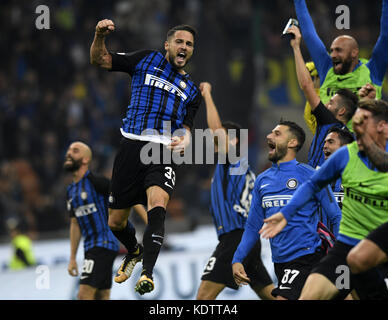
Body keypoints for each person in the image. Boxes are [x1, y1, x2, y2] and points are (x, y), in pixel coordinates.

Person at [90, 20, 202, 295]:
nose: (184, 47)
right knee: (116, 222)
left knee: (157, 204)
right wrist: (98, 36)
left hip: (161, 149)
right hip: (131, 145)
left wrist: (186, 138)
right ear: (167, 44)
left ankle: (147, 273)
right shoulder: (146, 59)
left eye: (189, 44)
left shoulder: (192, 91)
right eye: (180, 42)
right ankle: (134, 250)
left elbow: (186, 128)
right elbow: (100, 60)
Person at [260, 99, 388, 299]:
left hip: (378, 237)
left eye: (362, 123)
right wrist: (285, 214)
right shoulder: (346, 156)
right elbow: (312, 185)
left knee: (358, 267)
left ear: (382, 127)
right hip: (343, 244)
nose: (356, 127)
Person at [232, 120, 341, 300]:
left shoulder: (310, 175)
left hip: (307, 256)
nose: (269, 136)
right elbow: (252, 227)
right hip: (280, 263)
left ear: (292, 143)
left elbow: (335, 216)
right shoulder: (262, 181)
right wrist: (237, 259)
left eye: (277, 134)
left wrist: (339, 254)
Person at [195, 82, 275, 300]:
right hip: (248, 239)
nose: (214, 140)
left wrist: (207, 95)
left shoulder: (233, 158)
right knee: (270, 294)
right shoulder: (239, 166)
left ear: (234, 140)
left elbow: (215, 129)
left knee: (202, 298)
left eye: (220, 136)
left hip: (235, 238)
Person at [288, 24, 358, 169]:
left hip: (320, 183)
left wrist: (296, 47)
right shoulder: (352, 137)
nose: (326, 104)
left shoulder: (328, 123)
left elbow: (306, 86)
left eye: (331, 103)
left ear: (341, 111)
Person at [293, 0, 388, 104]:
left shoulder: (373, 71)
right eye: (332, 51)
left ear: (354, 53)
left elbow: (385, 37)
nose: (333, 55)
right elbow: (309, 35)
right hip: (328, 120)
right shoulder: (326, 67)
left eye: (338, 50)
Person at [64, 141, 120, 300]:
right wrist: (72, 258)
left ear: (85, 159)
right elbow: (75, 224)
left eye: (75, 151)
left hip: (104, 244)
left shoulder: (97, 182)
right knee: (101, 295)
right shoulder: (70, 191)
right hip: (90, 247)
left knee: (83, 295)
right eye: (68, 150)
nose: (68, 153)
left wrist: (149, 222)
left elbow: (124, 196)